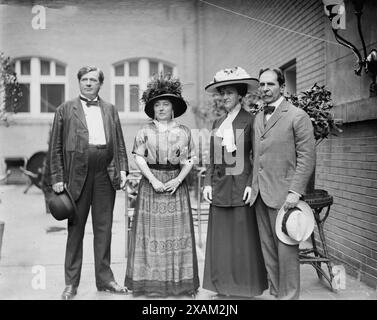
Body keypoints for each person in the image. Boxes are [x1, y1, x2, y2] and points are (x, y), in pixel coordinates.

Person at [48, 66, 129, 300]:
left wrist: (123, 169)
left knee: (104, 229)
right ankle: (71, 284)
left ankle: (105, 279)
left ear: (100, 84)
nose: (89, 83)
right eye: (85, 79)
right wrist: (57, 177)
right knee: (76, 230)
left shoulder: (110, 109)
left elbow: (120, 143)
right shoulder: (65, 109)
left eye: (93, 80)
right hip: (76, 176)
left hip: (105, 173)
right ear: (79, 82)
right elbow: (54, 146)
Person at [124, 74, 199, 297]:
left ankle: (178, 283)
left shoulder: (184, 132)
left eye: (165, 104)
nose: (161, 108)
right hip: (152, 185)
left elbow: (190, 159)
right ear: (152, 108)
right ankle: (151, 283)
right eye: (157, 105)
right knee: (151, 235)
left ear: (173, 107)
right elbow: (138, 157)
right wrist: (153, 180)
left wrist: (178, 179)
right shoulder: (144, 131)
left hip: (176, 185)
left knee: (177, 234)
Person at [249, 68, 316, 300]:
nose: (265, 89)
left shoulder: (297, 116)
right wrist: (252, 185)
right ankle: (277, 295)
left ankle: (289, 297)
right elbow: (255, 157)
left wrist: (295, 191)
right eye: (262, 84)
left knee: (286, 253)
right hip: (260, 194)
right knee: (269, 253)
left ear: (282, 87)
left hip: (285, 196)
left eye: (270, 84)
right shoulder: (258, 116)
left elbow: (307, 157)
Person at [202, 67, 268, 299]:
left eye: (230, 92)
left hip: (242, 186)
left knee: (242, 239)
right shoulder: (218, 122)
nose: (225, 97)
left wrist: (252, 183)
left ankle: (244, 287)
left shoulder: (252, 120)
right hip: (220, 187)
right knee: (222, 239)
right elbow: (213, 157)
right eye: (222, 93)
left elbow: (258, 156)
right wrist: (208, 183)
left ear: (240, 95)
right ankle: (223, 286)